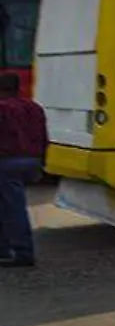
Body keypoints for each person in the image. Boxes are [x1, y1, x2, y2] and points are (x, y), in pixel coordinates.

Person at [0, 72, 47, 268]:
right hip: (32, 161)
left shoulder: (3, 108)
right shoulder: (34, 107)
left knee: (12, 208)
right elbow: (43, 137)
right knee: (7, 205)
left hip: (8, 162)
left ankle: (22, 251)